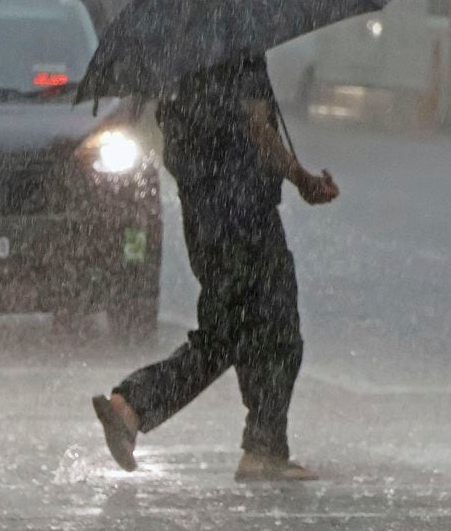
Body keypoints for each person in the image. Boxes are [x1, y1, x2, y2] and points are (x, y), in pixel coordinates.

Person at [92, 55, 339, 481]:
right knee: (277, 332)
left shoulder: (181, 63)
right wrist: (301, 178)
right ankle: (262, 448)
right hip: (246, 218)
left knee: (227, 334)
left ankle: (132, 407)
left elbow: (177, 145)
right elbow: (258, 126)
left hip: (205, 223)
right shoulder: (240, 48)